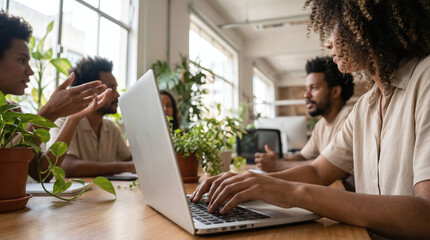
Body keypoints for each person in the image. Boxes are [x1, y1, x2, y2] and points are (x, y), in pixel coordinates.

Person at [190, 0, 430, 238]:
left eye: (335, 26)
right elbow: (317, 171)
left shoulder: (425, 79)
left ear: (367, 23)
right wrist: (250, 182)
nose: (328, 42)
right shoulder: (365, 107)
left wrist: (294, 191)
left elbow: (425, 215)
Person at [0, 12, 111, 182]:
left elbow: (42, 173)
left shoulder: (14, 111)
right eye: (22, 60)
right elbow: (5, 173)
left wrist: (74, 118)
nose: (30, 71)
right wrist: (47, 114)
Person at [255, 56, 354, 173]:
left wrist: (278, 165)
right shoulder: (321, 124)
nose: (306, 95)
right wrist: (278, 161)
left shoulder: (349, 118)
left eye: (314, 88)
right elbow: (303, 156)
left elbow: (326, 166)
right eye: (306, 88)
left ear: (335, 91)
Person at [49, 56, 135, 177]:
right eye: (111, 88)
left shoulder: (111, 128)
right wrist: (126, 167)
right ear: (87, 91)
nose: (117, 95)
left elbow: (132, 160)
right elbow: (67, 166)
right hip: (73, 196)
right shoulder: (63, 122)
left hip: (104, 194)